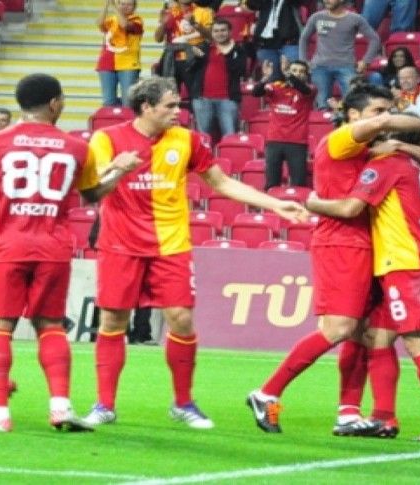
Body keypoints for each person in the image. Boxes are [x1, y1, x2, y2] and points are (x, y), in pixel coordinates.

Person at [0, 73, 141, 432]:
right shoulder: (77, 147)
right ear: (54, 104)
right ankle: (61, 407)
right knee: (50, 327)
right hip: (53, 248)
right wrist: (119, 172)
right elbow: (92, 195)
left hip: (5, 246)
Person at [81, 76, 308, 429]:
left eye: (178, 105)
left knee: (182, 319)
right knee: (112, 321)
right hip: (120, 244)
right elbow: (92, 193)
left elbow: (222, 183)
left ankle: (183, 402)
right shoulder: (106, 139)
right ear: (146, 107)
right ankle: (104, 405)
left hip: (171, 244)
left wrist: (275, 205)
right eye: (170, 106)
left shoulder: (187, 140)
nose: (178, 112)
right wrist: (115, 170)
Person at [246, 84, 420, 434]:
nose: (384, 118)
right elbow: (352, 201)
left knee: (362, 334)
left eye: (387, 111)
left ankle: (349, 412)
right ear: (353, 115)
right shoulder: (340, 139)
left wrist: (407, 143)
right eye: (377, 111)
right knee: (339, 328)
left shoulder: (374, 151)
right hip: (341, 241)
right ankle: (267, 393)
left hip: (373, 245)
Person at [302, 124, 420, 443]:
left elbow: (351, 208)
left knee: (418, 340)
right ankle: (383, 417)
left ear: (389, 141)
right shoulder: (415, 165)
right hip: (419, 258)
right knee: (377, 336)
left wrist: (312, 203)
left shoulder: (386, 164)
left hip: (406, 261)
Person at [299, 0, 381, 110]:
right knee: (321, 105)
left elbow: (374, 39)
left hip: (346, 65)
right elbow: (303, 38)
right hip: (320, 66)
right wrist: (303, 61)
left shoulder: (355, 19)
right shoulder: (316, 17)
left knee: (352, 103)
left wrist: (366, 61)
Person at [252, 57, 315, 189]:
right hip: (274, 141)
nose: (297, 73)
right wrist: (266, 78)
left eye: (301, 71)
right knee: (271, 183)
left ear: (306, 75)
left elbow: (303, 89)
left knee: (298, 183)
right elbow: (255, 92)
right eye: (294, 70)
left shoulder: (310, 90)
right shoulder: (276, 88)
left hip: (297, 142)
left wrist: (287, 74)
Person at [190, 17, 246, 138]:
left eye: (223, 30)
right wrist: (196, 58)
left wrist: (228, 54)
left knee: (230, 137)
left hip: (228, 100)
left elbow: (241, 71)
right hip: (202, 100)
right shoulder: (205, 48)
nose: (219, 33)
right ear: (212, 33)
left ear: (230, 32)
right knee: (203, 139)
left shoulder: (238, 50)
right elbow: (191, 70)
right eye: (216, 31)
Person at [154, 0, 214, 99]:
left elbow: (210, 37)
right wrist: (163, 24)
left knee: (196, 97)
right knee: (170, 96)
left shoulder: (204, 12)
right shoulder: (170, 12)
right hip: (171, 60)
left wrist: (194, 24)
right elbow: (157, 39)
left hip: (194, 60)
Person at [96, 0, 143, 107]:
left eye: (129, 4)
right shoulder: (112, 20)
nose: (125, 6)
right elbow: (99, 23)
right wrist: (106, 4)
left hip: (128, 64)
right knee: (108, 102)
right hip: (107, 63)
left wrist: (114, 7)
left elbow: (124, 25)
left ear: (134, 7)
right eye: (123, 4)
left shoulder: (137, 20)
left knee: (128, 102)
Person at [246, 0, 304, 81]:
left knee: (294, 77)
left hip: (290, 41)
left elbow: (299, 2)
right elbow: (252, 4)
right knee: (271, 78)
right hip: (266, 43)